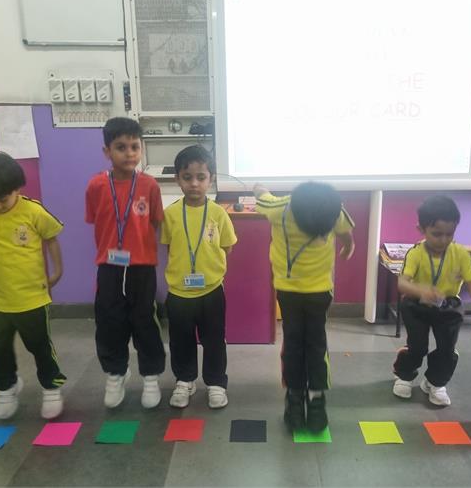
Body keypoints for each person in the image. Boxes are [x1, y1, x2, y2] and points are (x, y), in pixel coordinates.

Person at [0, 152, 66, 420]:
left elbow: (52, 238)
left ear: (16, 187)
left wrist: (57, 270)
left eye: (2, 198)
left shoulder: (33, 211)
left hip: (32, 299)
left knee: (40, 347)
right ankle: (6, 387)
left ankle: (51, 387)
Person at [253, 181, 355, 432]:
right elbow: (346, 234)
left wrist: (259, 187)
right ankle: (317, 403)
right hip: (320, 293)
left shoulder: (282, 208)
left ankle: (295, 402)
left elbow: (262, 198)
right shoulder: (334, 210)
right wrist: (348, 245)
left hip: (288, 292)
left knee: (293, 344)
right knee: (317, 344)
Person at [85, 117, 166, 409]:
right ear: (107, 151)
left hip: (142, 267)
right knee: (109, 322)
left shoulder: (149, 185)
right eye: (121, 147)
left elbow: (155, 222)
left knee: (144, 321)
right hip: (109, 267)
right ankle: (115, 373)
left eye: (135, 146)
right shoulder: (96, 185)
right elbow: (96, 220)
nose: (129, 153)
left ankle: (150, 377)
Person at [392, 195, 471, 407]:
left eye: (449, 234)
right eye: (436, 234)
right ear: (421, 229)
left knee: (447, 349)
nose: (443, 240)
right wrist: (421, 290)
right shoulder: (416, 253)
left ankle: (435, 382)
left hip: (448, 307)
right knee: (417, 346)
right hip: (416, 305)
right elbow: (402, 283)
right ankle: (404, 375)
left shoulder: (460, 254)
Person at [161, 145, 237, 409]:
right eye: (187, 177)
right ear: (177, 179)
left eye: (201, 177)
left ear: (211, 179)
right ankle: (185, 380)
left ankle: (216, 383)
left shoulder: (218, 213)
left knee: (214, 340)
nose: (194, 183)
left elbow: (227, 247)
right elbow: (170, 247)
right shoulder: (170, 214)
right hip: (179, 293)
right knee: (181, 341)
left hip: (211, 291)